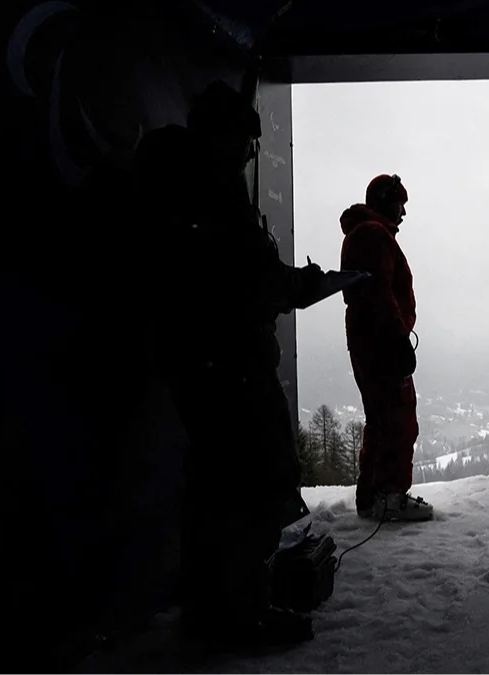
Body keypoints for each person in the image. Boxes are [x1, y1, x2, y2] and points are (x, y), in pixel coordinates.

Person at [133, 80, 321, 648]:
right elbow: (236, 280)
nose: (247, 156)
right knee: (247, 479)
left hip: (207, 360)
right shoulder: (204, 194)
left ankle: (221, 609)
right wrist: (298, 286)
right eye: (244, 144)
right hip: (224, 361)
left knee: (224, 482)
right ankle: (235, 615)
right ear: (223, 136)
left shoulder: (182, 188)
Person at [340, 173, 431, 522]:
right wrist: (397, 338)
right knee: (396, 416)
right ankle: (389, 496)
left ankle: (375, 496)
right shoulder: (373, 236)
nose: (404, 213)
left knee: (383, 416)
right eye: (400, 204)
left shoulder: (367, 234)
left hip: (373, 339)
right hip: (380, 341)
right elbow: (379, 292)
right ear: (384, 201)